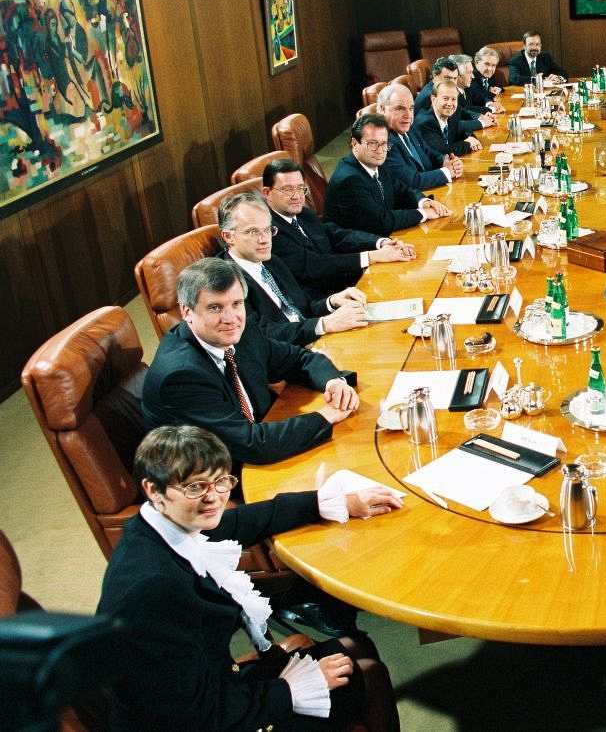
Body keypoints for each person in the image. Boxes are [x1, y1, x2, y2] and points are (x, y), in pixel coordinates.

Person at [97, 425, 403, 731]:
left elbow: (240, 520)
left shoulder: (159, 524)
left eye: (221, 481)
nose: (214, 498)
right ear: (153, 490)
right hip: (197, 717)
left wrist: (328, 502)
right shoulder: (151, 588)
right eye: (195, 487)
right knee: (369, 674)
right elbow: (190, 714)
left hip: (211, 687)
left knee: (357, 652)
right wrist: (287, 691)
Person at [142, 258, 360, 466]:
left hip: (262, 441)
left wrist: (334, 382)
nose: (230, 318)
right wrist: (325, 416)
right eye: (215, 308)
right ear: (187, 311)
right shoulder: (181, 376)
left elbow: (298, 359)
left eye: (236, 304)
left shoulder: (241, 331)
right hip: (219, 476)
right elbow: (252, 444)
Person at [217, 192, 368, 347]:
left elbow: (301, 308)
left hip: (314, 341)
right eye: (253, 232)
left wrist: (332, 302)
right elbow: (259, 333)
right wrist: (324, 324)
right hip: (287, 356)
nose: (264, 240)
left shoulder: (271, 260)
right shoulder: (224, 281)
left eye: (268, 230)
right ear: (228, 237)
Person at [263, 158, 415, 300]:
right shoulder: (267, 231)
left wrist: (381, 243)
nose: (297, 196)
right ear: (267, 193)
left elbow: (334, 234)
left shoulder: (303, 213)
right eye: (288, 190)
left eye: (301, 188)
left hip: (345, 284)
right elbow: (314, 265)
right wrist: (373, 256)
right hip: (322, 303)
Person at [324, 113, 452, 237]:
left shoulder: (376, 163)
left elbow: (401, 190)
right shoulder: (349, 180)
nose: (380, 150)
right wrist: (423, 213)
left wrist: (424, 202)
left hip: (386, 235)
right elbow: (381, 221)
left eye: (384, 143)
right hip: (364, 246)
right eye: (372, 143)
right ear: (354, 144)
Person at [377, 82, 461, 192]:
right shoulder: (382, 142)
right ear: (382, 109)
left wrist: (445, 161)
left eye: (411, 108)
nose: (408, 115)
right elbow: (412, 181)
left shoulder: (408, 127)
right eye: (400, 108)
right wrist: (447, 172)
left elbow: (428, 152)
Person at [416, 80, 483, 157]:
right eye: (445, 98)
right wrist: (468, 144)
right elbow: (443, 151)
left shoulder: (452, 114)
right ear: (434, 99)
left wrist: (471, 137)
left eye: (454, 99)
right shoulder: (425, 122)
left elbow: (461, 131)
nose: (450, 104)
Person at [448, 52, 498, 125]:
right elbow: (463, 111)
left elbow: (478, 98)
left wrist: (490, 106)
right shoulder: (450, 92)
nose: (473, 76)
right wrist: (489, 112)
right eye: (469, 73)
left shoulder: (466, 87)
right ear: (457, 75)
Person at [467, 46, 506, 113]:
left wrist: (497, 89)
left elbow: (499, 88)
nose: (490, 69)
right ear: (476, 63)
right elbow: (480, 96)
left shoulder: (489, 75)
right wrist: (491, 93)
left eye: (493, 65)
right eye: (487, 64)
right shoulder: (471, 77)